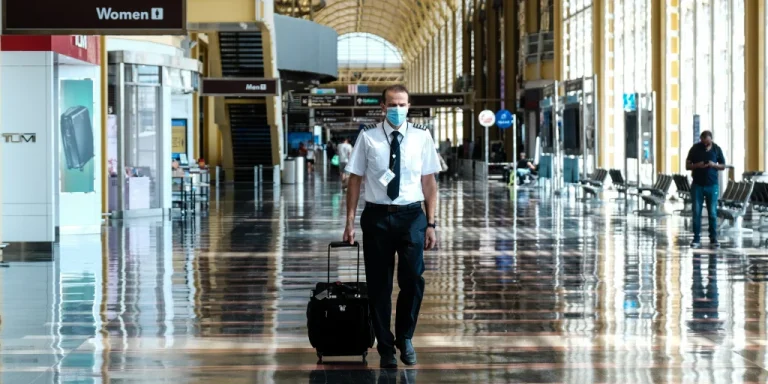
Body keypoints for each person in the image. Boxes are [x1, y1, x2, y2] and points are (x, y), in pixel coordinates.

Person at [343, 84, 441, 368]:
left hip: (412, 217)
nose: (397, 109)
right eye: (392, 105)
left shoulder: (422, 138)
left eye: (402, 104)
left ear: (409, 106)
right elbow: (355, 179)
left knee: (413, 279)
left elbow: (429, 182)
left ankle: (405, 338)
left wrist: (431, 223)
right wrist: (349, 221)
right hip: (377, 218)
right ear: (383, 107)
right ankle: (385, 347)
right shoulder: (368, 138)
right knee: (379, 285)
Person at [686, 130, 726, 249]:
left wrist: (714, 165)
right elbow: (687, 166)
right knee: (696, 212)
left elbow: (723, 166)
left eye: (707, 143)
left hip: (712, 185)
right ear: (701, 140)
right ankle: (696, 238)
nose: (705, 145)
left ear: (711, 140)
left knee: (713, 212)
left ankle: (713, 237)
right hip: (697, 185)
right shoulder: (694, 149)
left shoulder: (717, 149)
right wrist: (697, 165)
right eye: (703, 142)